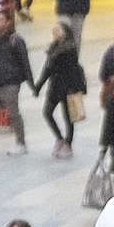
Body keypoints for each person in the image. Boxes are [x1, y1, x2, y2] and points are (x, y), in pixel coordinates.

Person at [0, 13, 33, 156]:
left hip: (10, 85)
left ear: (8, 22)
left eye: (0, 20)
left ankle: (21, 143)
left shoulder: (16, 41)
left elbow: (24, 62)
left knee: (13, 114)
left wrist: (31, 83)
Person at [32, 25, 86, 160]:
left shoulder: (70, 49)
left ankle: (68, 143)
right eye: (54, 30)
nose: (55, 32)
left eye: (59, 29)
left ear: (66, 32)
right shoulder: (53, 48)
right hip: (55, 87)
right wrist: (38, 86)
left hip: (68, 87)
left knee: (68, 117)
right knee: (47, 112)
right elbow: (47, 70)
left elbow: (70, 69)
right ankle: (60, 139)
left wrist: (76, 88)